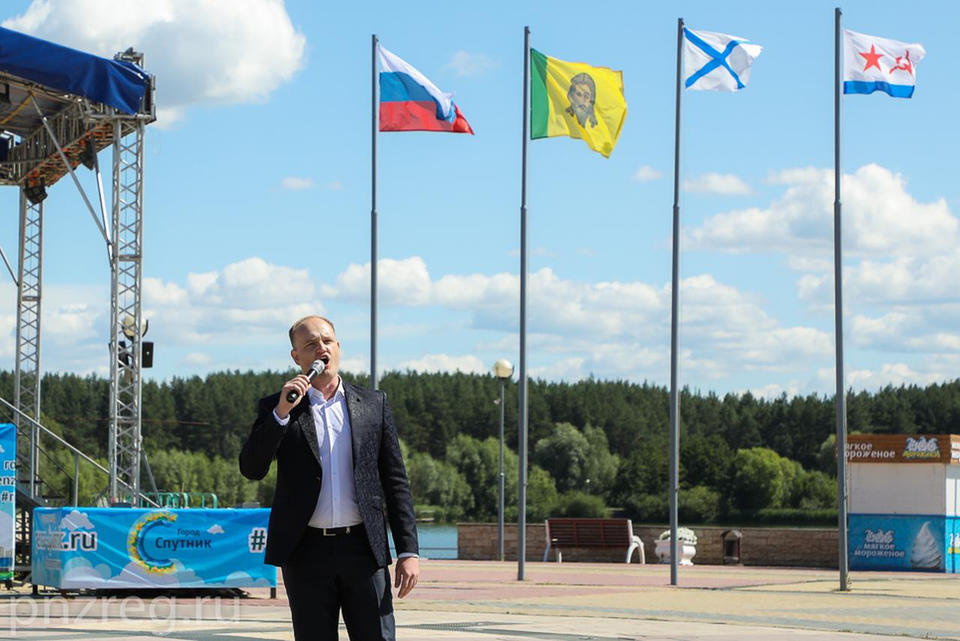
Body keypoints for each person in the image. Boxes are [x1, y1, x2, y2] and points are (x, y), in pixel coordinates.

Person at [239, 315, 419, 641]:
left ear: (338, 348)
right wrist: (280, 414)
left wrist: (408, 551)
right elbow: (252, 468)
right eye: (310, 344)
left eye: (327, 341)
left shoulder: (373, 404)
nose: (321, 348)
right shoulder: (279, 407)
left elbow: (395, 481)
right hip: (306, 552)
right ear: (297, 357)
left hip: (363, 550)